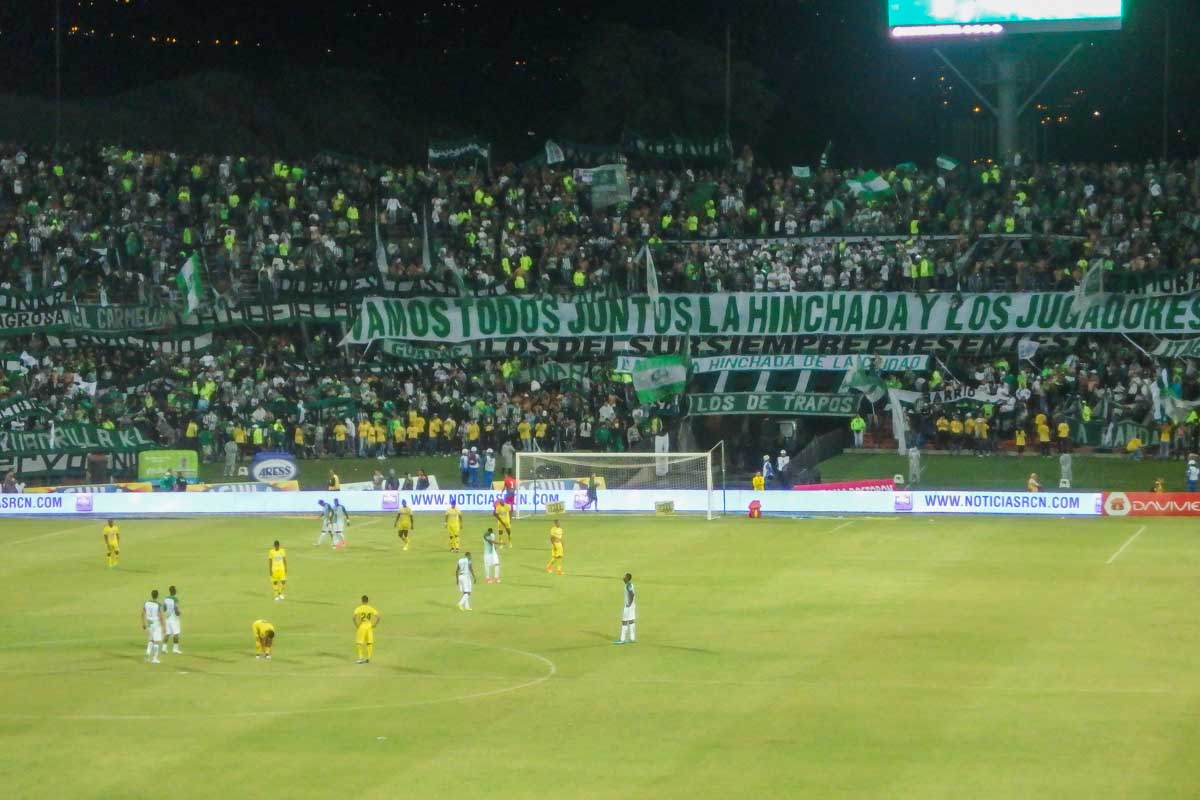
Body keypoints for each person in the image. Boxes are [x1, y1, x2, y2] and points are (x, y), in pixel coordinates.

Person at [352, 595, 381, 664]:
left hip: (362, 627)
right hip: (369, 627)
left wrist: (356, 625)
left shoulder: (359, 608)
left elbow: (353, 617)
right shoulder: (370, 608)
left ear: (362, 601)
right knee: (369, 642)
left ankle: (360, 658)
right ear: (368, 601)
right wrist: (375, 625)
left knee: (359, 642)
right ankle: (368, 658)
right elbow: (378, 617)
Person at [142, 589, 166, 664]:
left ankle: (147, 654)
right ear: (157, 596)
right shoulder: (158, 604)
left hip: (149, 623)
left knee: (151, 640)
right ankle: (154, 658)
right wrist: (164, 626)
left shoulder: (146, 603)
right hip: (156, 623)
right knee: (157, 641)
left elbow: (142, 614)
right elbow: (160, 616)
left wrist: (143, 623)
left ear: (151, 595)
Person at [614, 573, 636, 645]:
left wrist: (629, 603)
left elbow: (632, 594)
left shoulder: (628, 585)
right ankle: (632, 638)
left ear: (627, 578)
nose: (623, 577)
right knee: (631, 620)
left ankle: (622, 639)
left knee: (624, 621)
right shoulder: (630, 584)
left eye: (625, 576)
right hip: (632, 605)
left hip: (628, 606)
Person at [163, 585, 182, 655]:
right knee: (176, 634)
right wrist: (178, 613)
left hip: (167, 618)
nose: (176, 590)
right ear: (174, 591)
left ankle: (164, 648)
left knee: (167, 633)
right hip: (174, 619)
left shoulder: (166, 598)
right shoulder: (175, 599)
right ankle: (175, 649)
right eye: (176, 589)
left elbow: (164, 608)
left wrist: (167, 612)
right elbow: (176, 608)